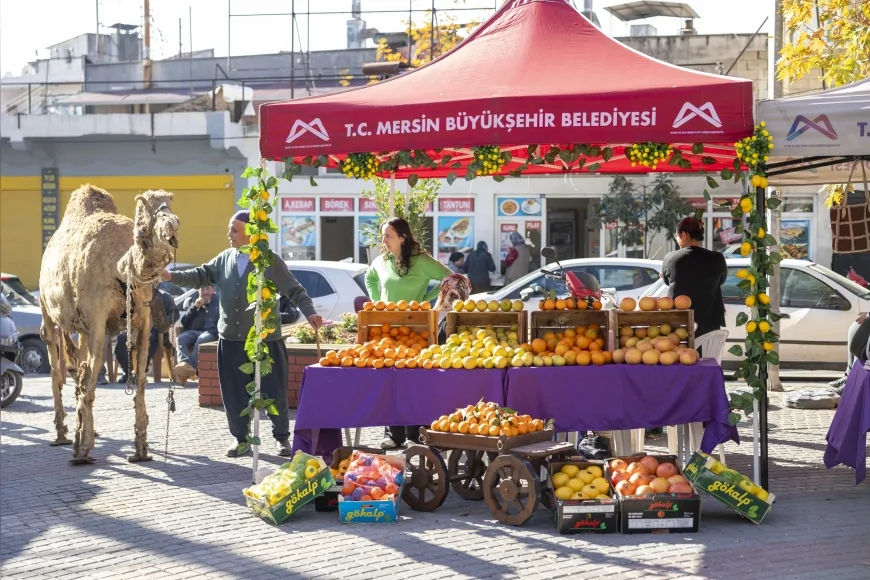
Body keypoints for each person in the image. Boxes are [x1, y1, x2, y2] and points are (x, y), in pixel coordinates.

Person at [162, 210, 323, 458]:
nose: (229, 234)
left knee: (273, 390)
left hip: (265, 340)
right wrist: (171, 276)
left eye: (234, 230)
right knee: (234, 393)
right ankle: (241, 439)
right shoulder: (224, 259)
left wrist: (310, 312)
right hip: (231, 340)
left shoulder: (269, 260)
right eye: (230, 229)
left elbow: (295, 290)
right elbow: (200, 275)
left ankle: (281, 438)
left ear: (250, 233)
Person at [365, 217, 452, 449]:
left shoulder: (421, 260)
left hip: (417, 331)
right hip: (387, 330)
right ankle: (394, 434)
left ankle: (415, 433)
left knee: (415, 381)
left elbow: (450, 278)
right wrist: (376, 301)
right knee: (391, 381)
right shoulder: (382, 261)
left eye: (388, 235)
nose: (383, 240)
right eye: (383, 235)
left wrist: (426, 298)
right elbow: (370, 277)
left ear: (403, 237)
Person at [662, 217, 728, 343]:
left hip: (679, 324)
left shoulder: (670, 258)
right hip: (709, 323)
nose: (676, 238)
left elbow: (667, 282)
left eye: (676, 235)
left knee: (678, 359)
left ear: (684, 235)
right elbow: (721, 280)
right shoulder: (717, 258)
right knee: (707, 359)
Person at [115, 286, 178, 384]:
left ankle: (141, 372)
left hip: (156, 330)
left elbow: (175, 313)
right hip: (136, 329)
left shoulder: (164, 296)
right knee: (122, 339)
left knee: (149, 338)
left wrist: (164, 324)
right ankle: (128, 373)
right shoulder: (134, 295)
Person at [174, 285, 219, 380]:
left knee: (201, 340)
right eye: (202, 289)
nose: (205, 291)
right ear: (199, 292)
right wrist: (194, 307)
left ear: (213, 290)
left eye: (207, 288)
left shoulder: (218, 302)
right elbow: (184, 322)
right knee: (181, 338)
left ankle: (189, 368)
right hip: (195, 332)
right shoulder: (196, 304)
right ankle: (184, 363)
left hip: (211, 333)